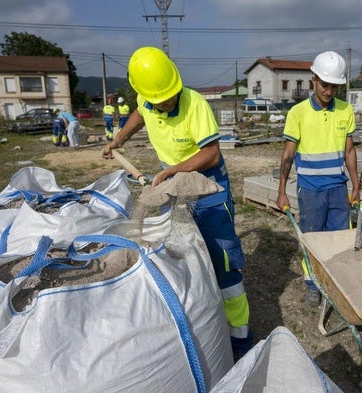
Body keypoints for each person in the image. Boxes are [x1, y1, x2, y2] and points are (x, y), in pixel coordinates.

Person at [102, 46, 253, 358]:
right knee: (186, 257)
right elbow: (140, 114)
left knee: (223, 266)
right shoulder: (148, 100)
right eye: (159, 100)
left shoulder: (194, 104)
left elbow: (212, 153)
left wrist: (173, 170)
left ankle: (240, 338)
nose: (166, 102)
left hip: (208, 190)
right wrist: (119, 140)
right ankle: (204, 319)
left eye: (170, 95)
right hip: (176, 193)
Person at [276, 51, 359, 307]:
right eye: (325, 84)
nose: (329, 91)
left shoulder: (345, 110)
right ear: (313, 80)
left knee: (338, 238)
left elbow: (349, 150)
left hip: (337, 188)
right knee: (313, 238)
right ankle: (313, 282)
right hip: (310, 191)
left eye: (334, 86)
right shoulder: (298, 113)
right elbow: (288, 154)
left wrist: (356, 185)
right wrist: (281, 191)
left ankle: (333, 282)